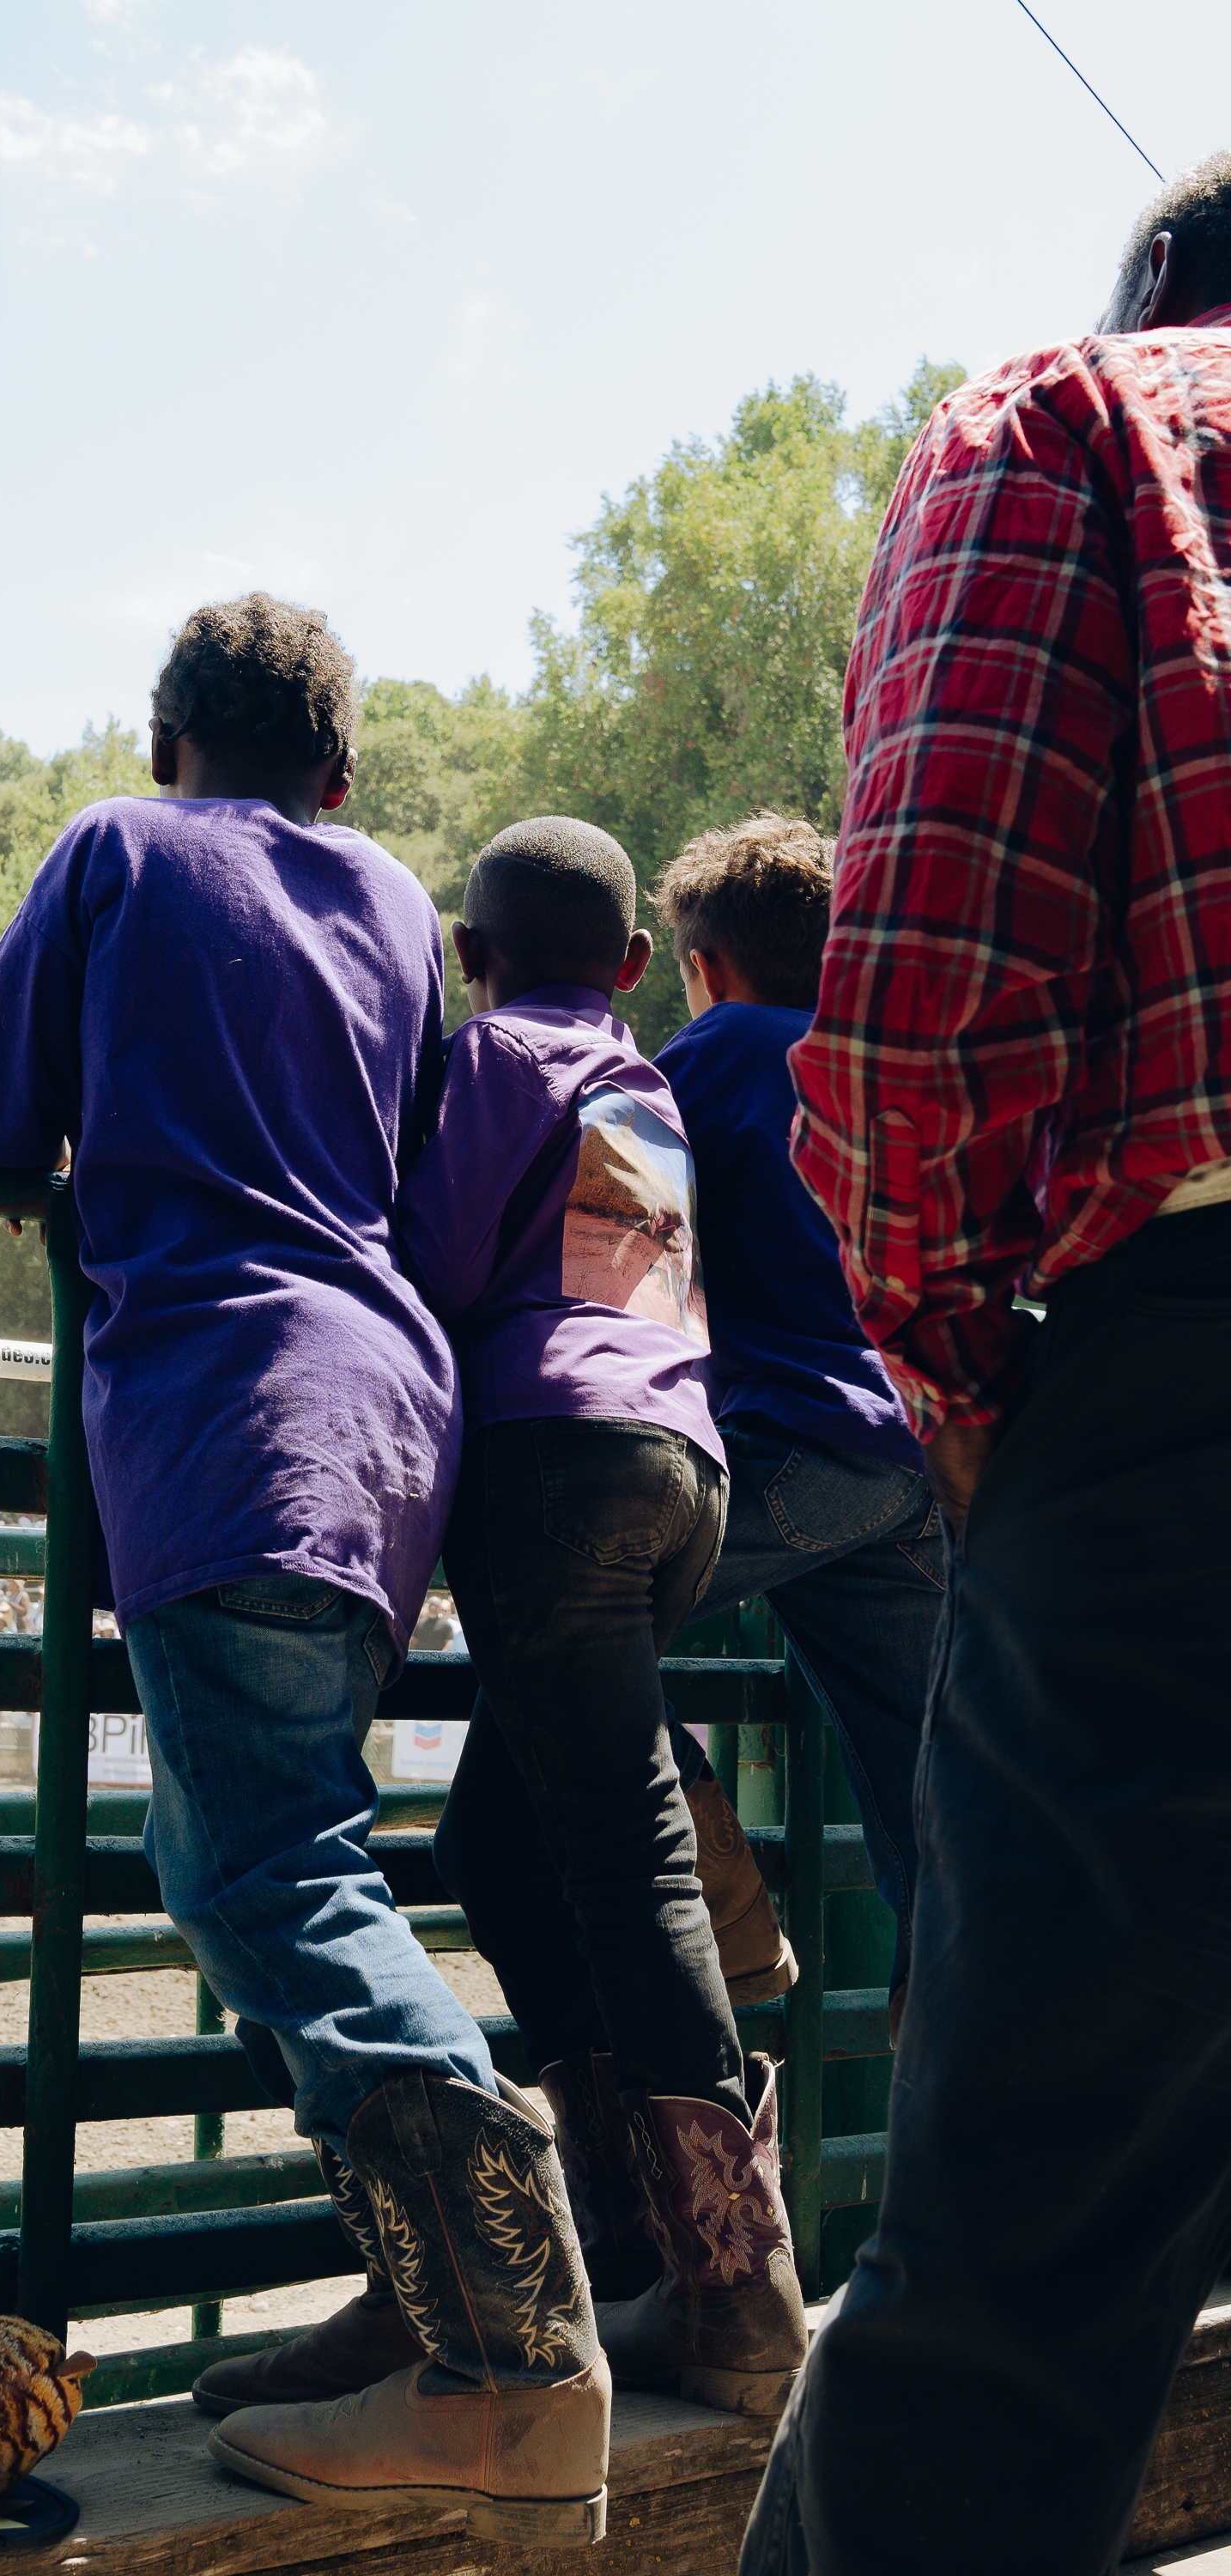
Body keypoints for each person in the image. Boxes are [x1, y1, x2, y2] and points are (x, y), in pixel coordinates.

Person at [0, 596, 609, 2544]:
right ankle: (435, 2308)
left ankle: (515, 2349)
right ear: (334, 772)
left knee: (265, 1865)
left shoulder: (119, 852)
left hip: (226, 1405)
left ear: (166, 745)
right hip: (384, 1418)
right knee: (245, 1856)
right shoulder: (393, 897)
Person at [740, 157, 1231, 2576]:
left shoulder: (1080, 425)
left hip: (1186, 1393)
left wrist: (953, 1361)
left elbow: (923, 969)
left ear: (1160, 286)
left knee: (1019, 2259)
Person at [402, 817, 808, 2403]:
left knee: (629, 1853)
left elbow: (429, 1258)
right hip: (679, 1472)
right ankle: (636, 2245)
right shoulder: (644, 1084)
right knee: (490, 1842)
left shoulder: (492, 1054)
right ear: (635, 966)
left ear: (470, 954)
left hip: (553, 1469)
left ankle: (737, 2298)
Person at [653, 814, 942, 2038]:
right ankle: (956, 2036)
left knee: (568, 1607)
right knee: (931, 1784)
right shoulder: (877, 1065)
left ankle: (719, 1893)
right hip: (915, 1454)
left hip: (792, 1446)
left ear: (707, 965)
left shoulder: (701, 1060)